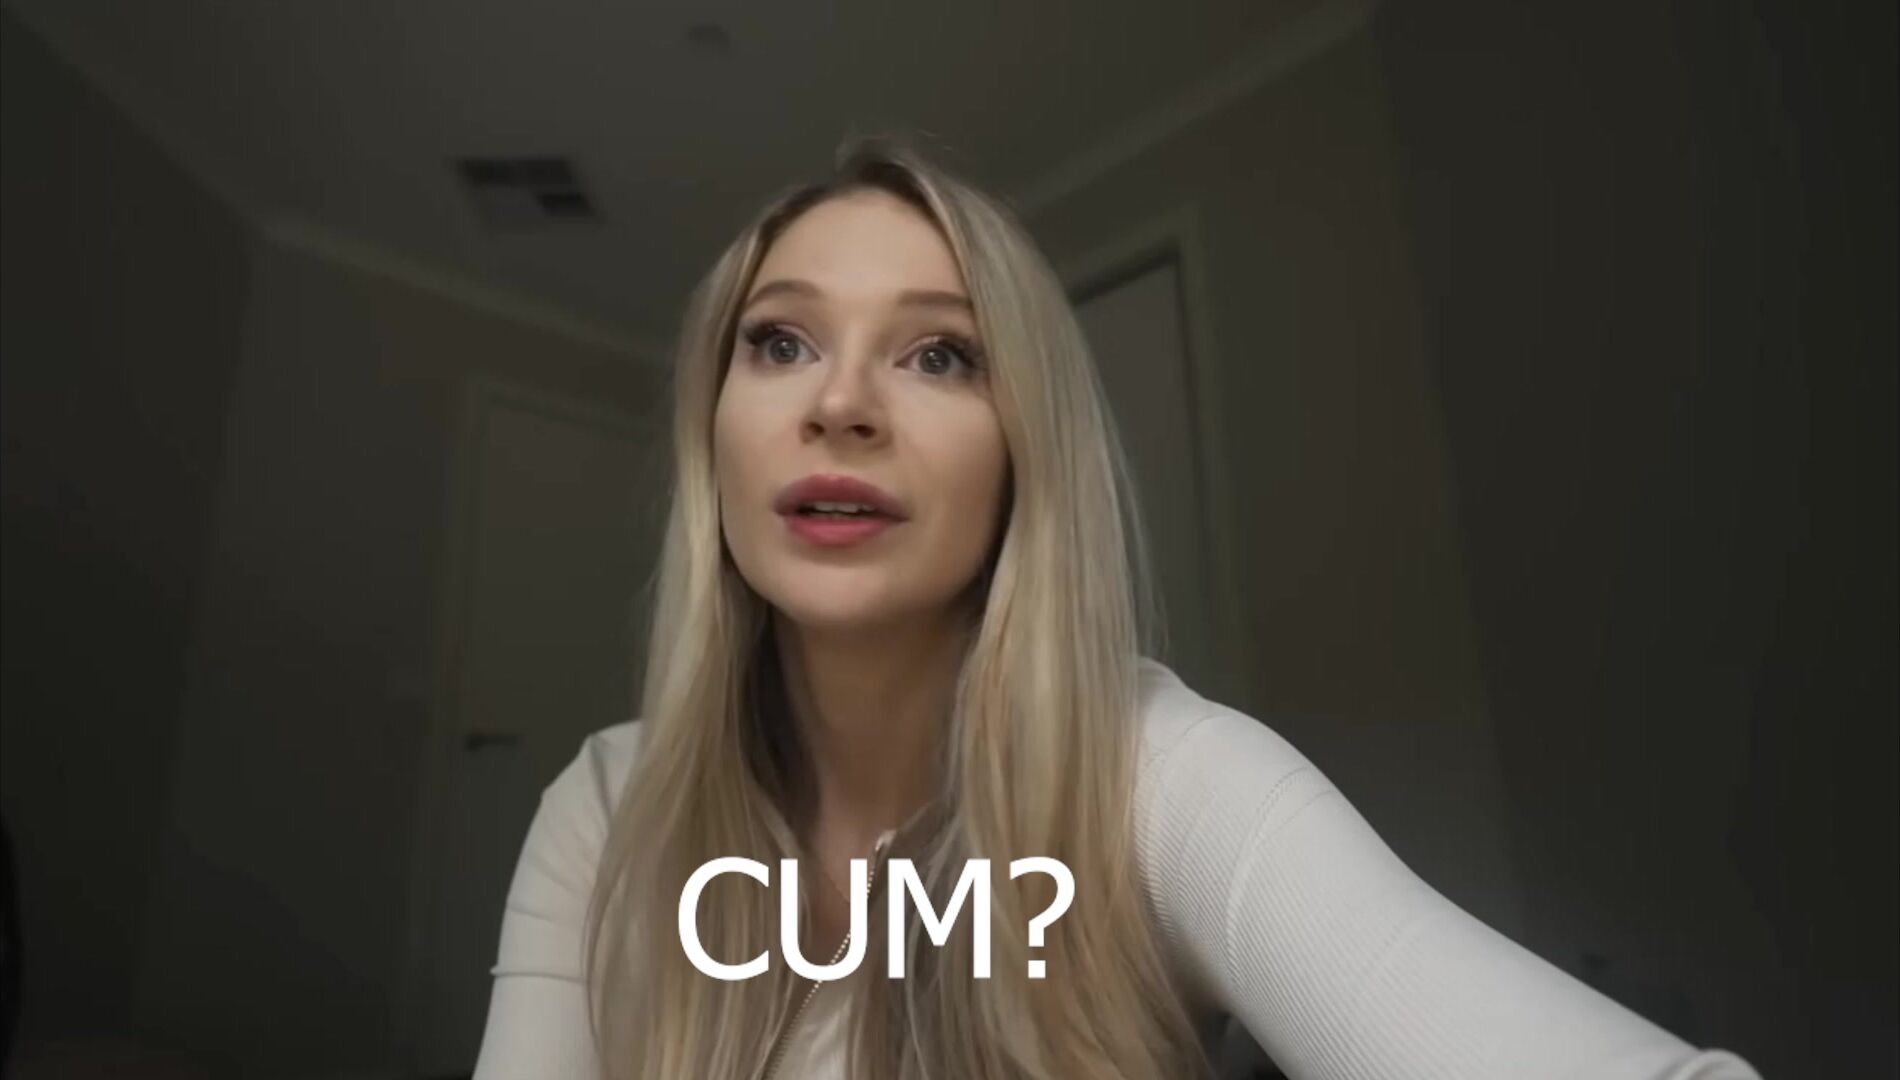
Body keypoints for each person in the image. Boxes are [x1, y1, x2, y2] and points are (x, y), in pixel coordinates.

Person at [470, 140, 1761, 1080]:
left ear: (1023, 453)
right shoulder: (607, 811)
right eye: (780, 342)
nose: (841, 404)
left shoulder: (1156, 778)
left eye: (939, 354)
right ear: (714, 431)